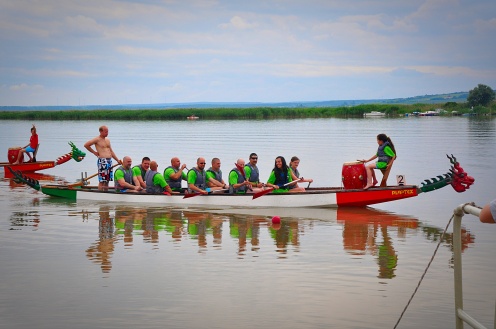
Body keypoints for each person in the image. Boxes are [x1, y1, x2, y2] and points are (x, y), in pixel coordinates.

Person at [84, 125, 121, 191]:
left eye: (107, 132)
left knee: (107, 180)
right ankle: (100, 194)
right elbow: (86, 145)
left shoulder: (107, 140)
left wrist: (117, 160)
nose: (107, 133)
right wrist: (94, 152)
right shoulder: (97, 139)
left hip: (109, 161)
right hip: (102, 161)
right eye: (105, 132)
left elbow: (111, 151)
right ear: (101, 131)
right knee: (102, 180)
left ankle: (105, 194)